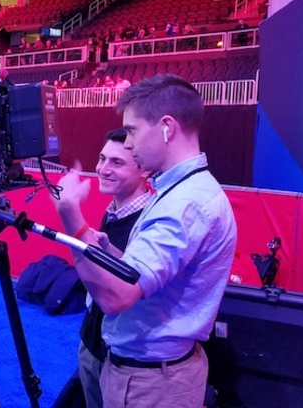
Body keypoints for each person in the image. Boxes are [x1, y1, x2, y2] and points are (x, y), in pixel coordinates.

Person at [55, 74, 237, 407]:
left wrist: (72, 220)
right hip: (147, 372)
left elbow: (116, 297)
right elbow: (144, 274)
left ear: (166, 127)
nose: (129, 144)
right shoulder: (178, 190)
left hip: (152, 381)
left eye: (134, 131)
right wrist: (108, 250)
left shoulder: (186, 203)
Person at [53, 128, 151, 408]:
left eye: (116, 162)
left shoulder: (149, 221)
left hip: (121, 356)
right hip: (92, 341)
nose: (103, 169)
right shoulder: (115, 211)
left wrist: (73, 219)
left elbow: (119, 293)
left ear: (143, 170)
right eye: (101, 159)